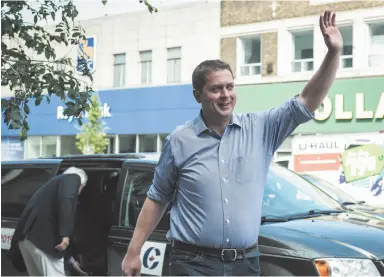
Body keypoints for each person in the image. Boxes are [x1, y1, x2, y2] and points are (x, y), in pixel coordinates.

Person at [121, 10, 343, 276]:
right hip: (192, 264)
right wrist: (134, 251)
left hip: (245, 263)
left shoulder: (261, 129)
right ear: (198, 95)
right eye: (216, 89)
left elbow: (307, 101)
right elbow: (157, 199)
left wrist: (333, 53)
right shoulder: (179, 141)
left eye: (230, 86)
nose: (225, 95)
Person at [8, 167, 88, 276]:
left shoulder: (50, 187)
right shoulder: (73, 177)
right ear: (81, 184)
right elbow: (66, 198)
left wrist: (71, 261)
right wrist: (65, 235)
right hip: (43, 242)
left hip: (26, 240)